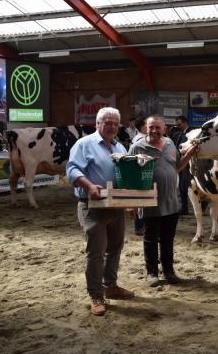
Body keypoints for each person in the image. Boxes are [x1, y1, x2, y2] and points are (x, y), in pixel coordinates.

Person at [66, 107, 134, 316]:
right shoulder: (84, 144)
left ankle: (111, 285)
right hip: (91, 206)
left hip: (115, 207)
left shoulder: (120, 147)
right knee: (96, 253)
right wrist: (88, 185)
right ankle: (96, 294)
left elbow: (125, 176)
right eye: (107, 122)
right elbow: (72, 169)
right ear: (97, 124)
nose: (111, 126)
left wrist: (130, 201)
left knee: (115, 248)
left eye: (115, 123)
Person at [128, 115, 197, 287]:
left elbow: (176, 167)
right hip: (149, 202)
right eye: (151, 127)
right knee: (150, 239)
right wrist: (131, 203)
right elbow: (129, 175)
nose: (154, 131)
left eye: (158, 128)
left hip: (171, 202)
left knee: (168, 239)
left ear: (164, 129)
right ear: (146, 127)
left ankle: (169, 271)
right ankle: (152, 273)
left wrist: (188, 155)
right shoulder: (137, 147)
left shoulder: (170, 144)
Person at [167, 115, 193, 216]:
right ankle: (185, 208)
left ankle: (203, 203)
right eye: (177, 125)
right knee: (183, 186)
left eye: (179, 124)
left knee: (187, 185)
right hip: (181, 162)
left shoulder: (192, 132)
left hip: (190, 162)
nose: (178, 126)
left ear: (185, 122)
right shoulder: (178, 132)